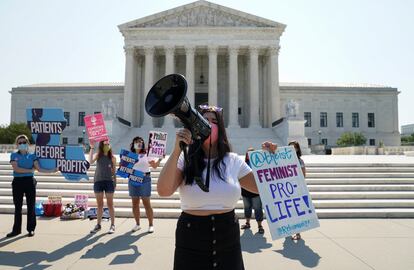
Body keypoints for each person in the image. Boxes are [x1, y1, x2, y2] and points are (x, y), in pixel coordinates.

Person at [157, 104, 277, 270]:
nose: (208, 124)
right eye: (204, 120)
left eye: (214, 121)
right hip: (191, 238)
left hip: (227, 237)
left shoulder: (233, 160)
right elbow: (163, 190)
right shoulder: (185, 160)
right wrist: (177, 149)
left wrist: (271, 160)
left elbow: (262, 187)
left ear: (220, 129)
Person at [7, 134, 57, 237]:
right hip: (17, 182)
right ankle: (16, 230)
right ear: (17, 144)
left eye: (24, 142)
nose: (22, 144)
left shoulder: (32, 156)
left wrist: (52, 170)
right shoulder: (14, 155)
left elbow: (39, 169)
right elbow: (16, 169)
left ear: (28, 144)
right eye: (20, 143)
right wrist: (30, 170)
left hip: (29, 182)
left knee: (31, 206)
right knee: (18, 207)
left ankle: (31, 229)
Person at [128, 136, 162, 233]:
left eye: (141, 142)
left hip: (145, 178)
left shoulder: (147, 153)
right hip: (133, 179)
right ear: (133, 143)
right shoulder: (130, 155)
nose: (139, 143)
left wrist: (159, 159)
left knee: (146, 203)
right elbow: (124, 168)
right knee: (135, 203)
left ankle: (151, 224)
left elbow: (154, 166)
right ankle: (137, 224)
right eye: (137, 141)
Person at [89, 140, 117, 234]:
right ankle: (98, 225)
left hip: (109, 182)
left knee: (110, 204)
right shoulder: (98, 155)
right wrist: (92, 147)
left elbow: (114, 172)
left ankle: (112, 225)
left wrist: (115, 182)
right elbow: (90, 161)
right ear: (101, 145)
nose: (107, 145)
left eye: (108, 144)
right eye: (105, 144)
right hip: (98, 181)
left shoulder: (112, 158)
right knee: (99, 204)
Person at [240, 147, 264, 234]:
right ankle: (247, 223)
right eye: (248, 153)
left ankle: (260, 226)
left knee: (258, 208)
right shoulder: (243, 164)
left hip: (256, 191)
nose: (249, 155)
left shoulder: (259, 164)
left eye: (251, 153)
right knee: (247, 208)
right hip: (245, 191)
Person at [288, 141, 306, 241]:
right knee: (288, 211)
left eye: (294, 147)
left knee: (297, 211)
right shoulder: (283, 161)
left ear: (297, 149)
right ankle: (289, 230)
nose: (292, 149)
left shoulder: (300, 161)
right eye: (290, 147)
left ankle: (298, 233)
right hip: (285, 190)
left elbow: (303, 176)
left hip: (296, 189)